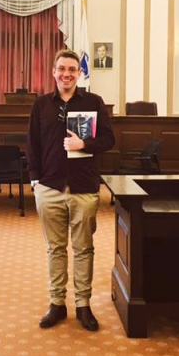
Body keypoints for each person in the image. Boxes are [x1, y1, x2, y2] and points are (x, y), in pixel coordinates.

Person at [26, 49, 115, 332]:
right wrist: (35, 180)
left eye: (72, 70)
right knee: (55, 249)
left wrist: (84, 145)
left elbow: (109, 140)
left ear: (79, 73)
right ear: (53, 72)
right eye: (61, 69)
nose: (66, 74)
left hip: (83, 187)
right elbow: (32, 145)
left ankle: (83, 305)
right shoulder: (41, 105)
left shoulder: (93, 102)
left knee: (83, 249)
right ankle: (57, 303)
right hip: (49, 187)